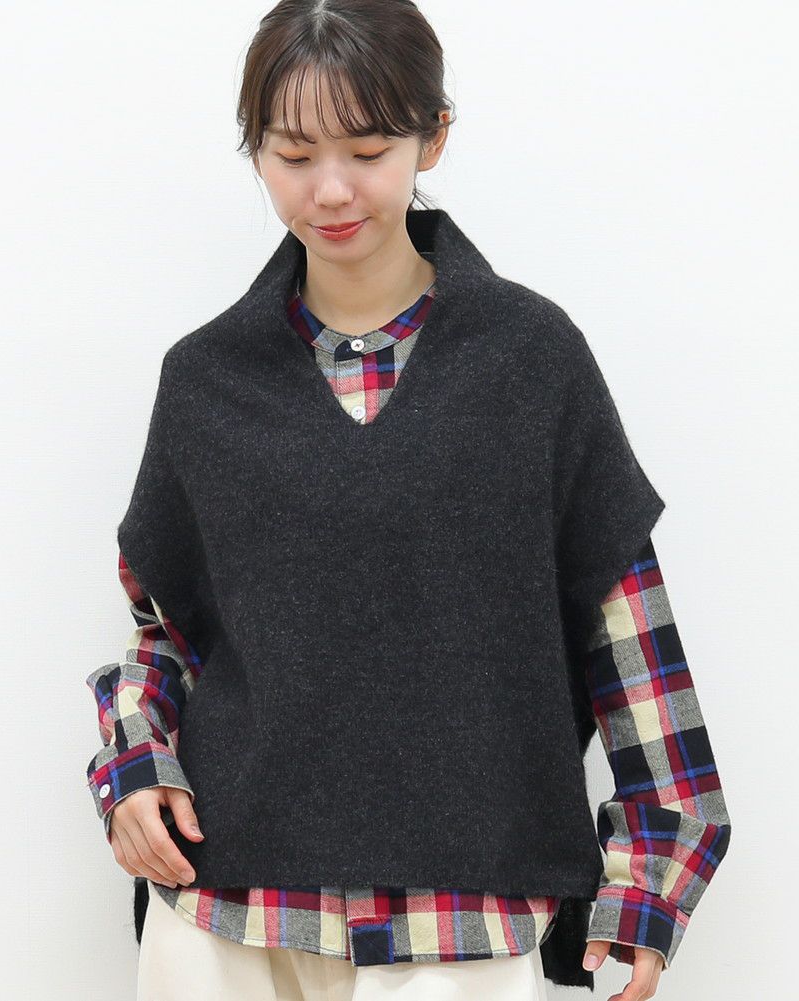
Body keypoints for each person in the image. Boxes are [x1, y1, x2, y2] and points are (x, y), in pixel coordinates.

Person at [84, 2, 732, 999]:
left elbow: (623, 623)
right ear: (254, 150)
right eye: (292, 153)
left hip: (465, 912)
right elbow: (167, 632)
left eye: (367, 149)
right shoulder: (204, 380)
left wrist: (655, 867)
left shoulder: (531, 361)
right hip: (225, 912)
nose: (331, 189)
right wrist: (131, 762)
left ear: (433, 136)